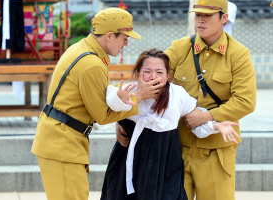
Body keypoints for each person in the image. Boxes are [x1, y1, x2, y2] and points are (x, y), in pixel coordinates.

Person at [116, 0, 256, 200]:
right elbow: (150, 83)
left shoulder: (238, 54)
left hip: (216, 149)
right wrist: (123, 121)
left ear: (224, 18)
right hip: (175, 148)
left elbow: (245, 102)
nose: (201, 19)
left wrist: (207, 116)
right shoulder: (180, 48)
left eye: (208, 15)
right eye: (197, 14)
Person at [31, 7, 166, 200]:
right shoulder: (92, 64)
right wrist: (139, 96)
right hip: (63, 144)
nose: (126, 43)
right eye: (124, 38)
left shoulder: (81, 49)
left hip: (58, 138)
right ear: (110, 36)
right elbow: (103, 116)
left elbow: (97, 94)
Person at [101, 48, 240, 200]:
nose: (153, 76)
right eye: (147, 71)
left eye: (159, 72)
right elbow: (110, 104)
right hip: (130, 161)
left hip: (165, 163)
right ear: (138, 73)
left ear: (168, 75)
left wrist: (217, 126)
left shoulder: (177, 95)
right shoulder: (129, 91)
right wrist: (134, 97)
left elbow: (194, 120)